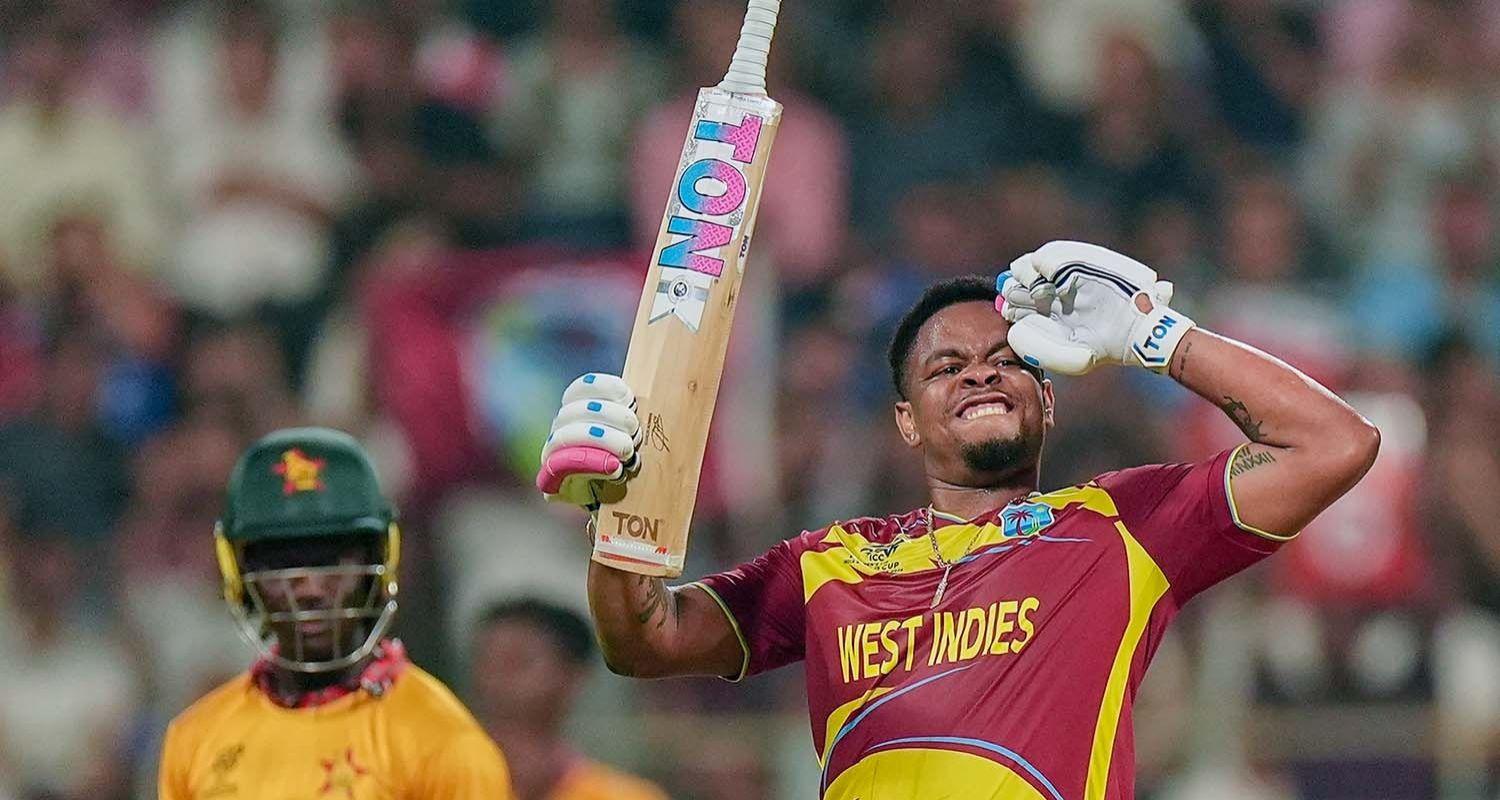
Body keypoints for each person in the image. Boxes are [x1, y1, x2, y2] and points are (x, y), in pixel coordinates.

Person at [537, 241, 1380, 799]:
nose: (980, 374)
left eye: (1007, 361)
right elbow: (644, 640)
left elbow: (1335, 445)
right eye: (946, 367)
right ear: (906, 422)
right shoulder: (827, 563)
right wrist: (619, 516)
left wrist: (1157, 335)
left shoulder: (1122, 527)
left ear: (1048, 399)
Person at [159, 427, 512, 798]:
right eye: (283, 564)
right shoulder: (196, 740)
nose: (310, 589)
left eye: (333, 560)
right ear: (239, 572)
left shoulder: (444, 744)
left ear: (378, 560)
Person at [471, 598, 668, 800]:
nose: (495, 678)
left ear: (573, 674)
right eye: (487, 660)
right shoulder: (455, 779)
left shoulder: (626, 796)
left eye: (517, 662)